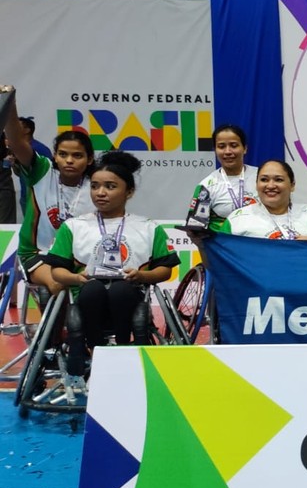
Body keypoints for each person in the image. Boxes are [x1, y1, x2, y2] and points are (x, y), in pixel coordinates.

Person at [47, 151, 179, 377]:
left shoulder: (148, 227)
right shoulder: (73, 226)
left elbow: (165, 270)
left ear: (129, 192)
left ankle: (121, 344)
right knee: (93, 289)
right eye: (95, 186)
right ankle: (96, 348)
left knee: (120, 289)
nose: (100, 193)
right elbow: (57, 271)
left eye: (110, 186)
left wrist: (142, 276)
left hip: (129, 296)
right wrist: (75, 278)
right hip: (87, 297)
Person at [2, 87, 95, 295]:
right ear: (55, 156)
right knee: (58, 284)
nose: (69, 160)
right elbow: (17, 141)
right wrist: (10, 101)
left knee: (96, 289)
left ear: (89, 159)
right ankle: (55, 327)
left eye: (77, 156)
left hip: (80, 258)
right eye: (63, 154)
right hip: (37, 253)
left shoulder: (96, 185)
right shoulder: (42, 171)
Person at [219, 160, 307, 240]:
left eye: (278, 180)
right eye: (264, 180)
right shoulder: (237, 219)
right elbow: (219, 260)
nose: (270, 186)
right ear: (256, 184)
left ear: (292, 185)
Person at [189, 124, 259, 231]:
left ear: (244, 149)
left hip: (259, 243)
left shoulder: (262, 177)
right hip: (224, 246)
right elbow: (195, 228)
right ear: (215, 150)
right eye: (221, 146)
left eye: (234, 145)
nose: (228, 152)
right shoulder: (206, 186)